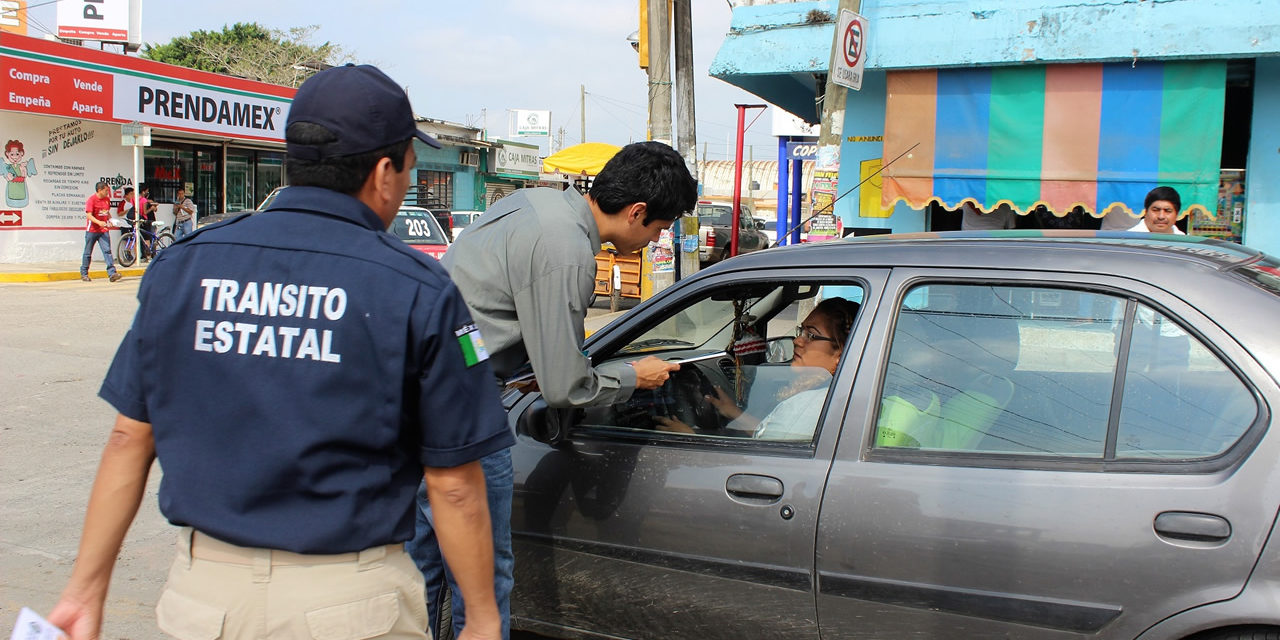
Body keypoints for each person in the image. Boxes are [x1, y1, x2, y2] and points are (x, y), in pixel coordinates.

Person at [47, 64, 513, 640]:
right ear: (384, 173)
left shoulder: (185, 265)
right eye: (410, 171)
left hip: (203, 603)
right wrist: (484, 619)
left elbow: (127, 437)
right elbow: (454, 483)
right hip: (352, 606)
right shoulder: (416, 286)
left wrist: (84, 592)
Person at [413, 140, 698, 639]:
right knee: (483, 575)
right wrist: (636, 376)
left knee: (424, 561)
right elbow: (567, 386)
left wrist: (524, 363)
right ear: (637, 213)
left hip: (424, 397)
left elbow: (484, 307)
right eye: (659, 228)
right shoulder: (567, 250)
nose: (656, 240)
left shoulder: (535, 202)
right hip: (464, 411)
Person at [656, 297, 860, 440]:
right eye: (802, 331)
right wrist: (734, 413)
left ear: (840, 353)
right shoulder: (831, 393)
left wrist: (691, 437)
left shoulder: (809, 405)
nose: (798, 340)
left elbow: (759, 459)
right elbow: (771, 436)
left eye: (811, 335)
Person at [79, 180, 121, 283]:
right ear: (99, 190)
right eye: (106, 190)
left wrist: (110, 220)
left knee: (107, 251)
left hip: (103, 230)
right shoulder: (91, 200)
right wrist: (99, 222)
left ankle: (112, 273)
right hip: (92, 230)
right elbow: (89, 215)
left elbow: (107, 212)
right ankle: (84, 273)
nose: (108, 193)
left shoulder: (107, 199)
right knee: (88, 252)